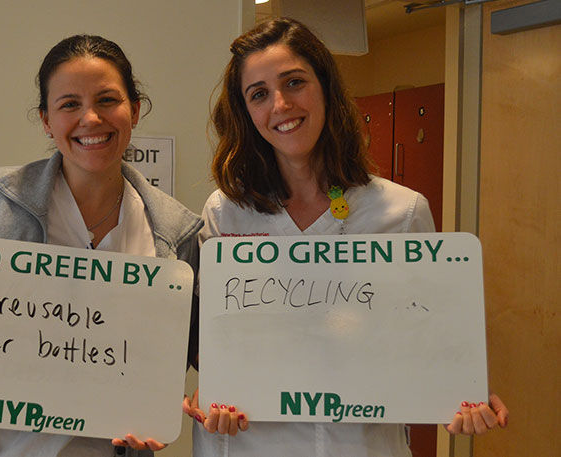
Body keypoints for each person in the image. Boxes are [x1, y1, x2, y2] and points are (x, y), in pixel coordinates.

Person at [181, 17, 509, 456]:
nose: (280, 104)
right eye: (258, 94)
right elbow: (214, 344)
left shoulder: (401, 213)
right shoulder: (226, 213)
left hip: (360, 444)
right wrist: (212, 390)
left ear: (326, 88)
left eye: (294, 82)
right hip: (250, 444)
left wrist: (461, 392)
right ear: (245, 112)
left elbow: (430, 339)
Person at [0, 34, 202, 457]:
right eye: (69, 104)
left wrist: (162, 410)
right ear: (47, 121)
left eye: (107, 100)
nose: (91, 118)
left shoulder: (176, 231)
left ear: (135, 109)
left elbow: (175, 358)